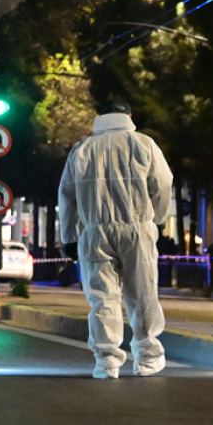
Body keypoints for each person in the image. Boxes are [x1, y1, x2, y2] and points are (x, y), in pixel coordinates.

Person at [58, 100, 172, 379]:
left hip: (94, 232)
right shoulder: (143, 144)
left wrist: (69, 237)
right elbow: (163, 183)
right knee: (142, 294)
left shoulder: (82, 149)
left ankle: (106, 362)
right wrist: (158, 219)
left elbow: (66, 195)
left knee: (102, 298)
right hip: (137, 229)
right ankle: (147, 358)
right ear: (129, 116)